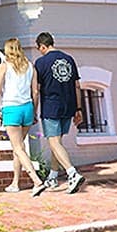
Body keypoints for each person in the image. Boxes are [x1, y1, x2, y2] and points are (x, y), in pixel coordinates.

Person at [0, 38, 48, 196]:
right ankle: (15, 183)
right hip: (27, 108)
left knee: (18, 147)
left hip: (11, 108)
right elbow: (35, 92)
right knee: (19, 148)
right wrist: (35, 111)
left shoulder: (4, 66)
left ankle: (36, 181)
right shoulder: (30, 66)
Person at [33, 32, 84, 193]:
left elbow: (37, 89)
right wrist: (78, 108)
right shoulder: (69, 59)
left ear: (42, 46)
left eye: (39, 48)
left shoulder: (40, 63)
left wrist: (34, 109)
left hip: (51, 106)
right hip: (68, 105)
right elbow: (77, 85)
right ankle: (52, 177)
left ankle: (72, 173)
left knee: (54, 143)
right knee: (58, 143)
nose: (39, 51)